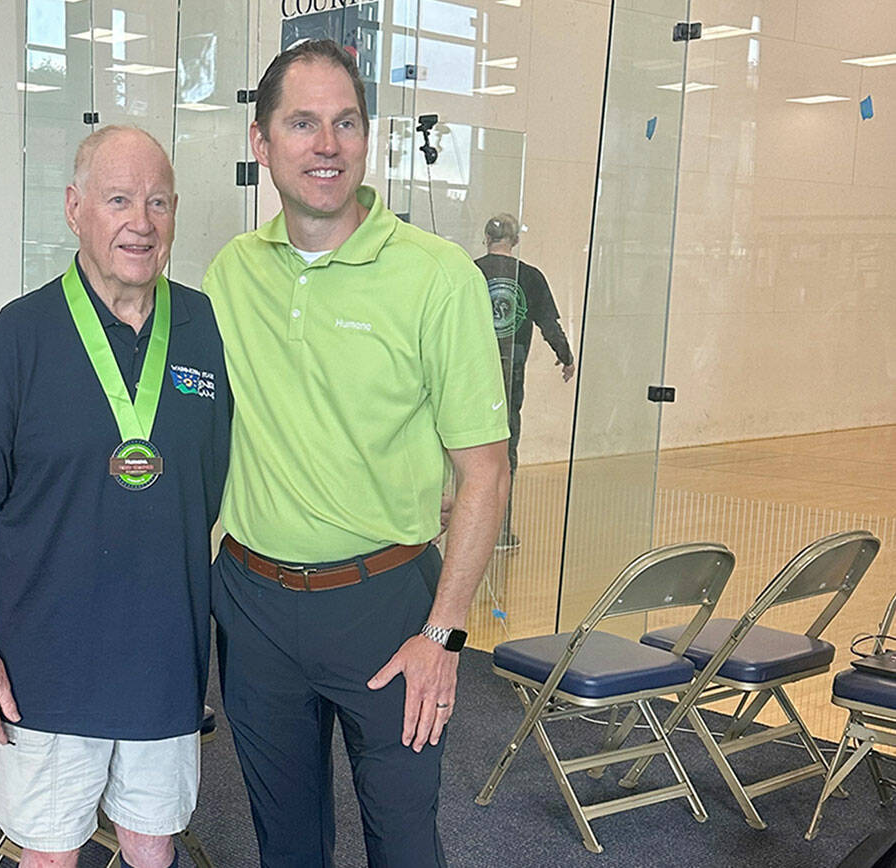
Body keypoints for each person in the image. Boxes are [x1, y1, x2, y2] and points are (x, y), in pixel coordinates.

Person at [202, 39, 511, 868]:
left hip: (387, 605)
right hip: (254, 605)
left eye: (346, 123)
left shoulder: (437, 276)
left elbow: (486, 471)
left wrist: (444, 633)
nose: (327, 145)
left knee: (404, 843)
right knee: (286, 844)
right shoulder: (231, 274)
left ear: (368, 139)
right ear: (261, 141)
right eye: (302, 123)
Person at [0, 126, 231, 868]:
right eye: (119, 200)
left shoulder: (204, 328)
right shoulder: (21, 335)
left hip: (164, 656)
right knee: (50, 853)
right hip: (44, 661)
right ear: (75, 209)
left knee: (152, 844)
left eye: (159, 202)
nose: (142, 222)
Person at [473, 213, 575, 552]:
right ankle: (500, 530)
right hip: (511, 374)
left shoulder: (469, 272)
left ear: (486, 238)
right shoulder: (530, 277)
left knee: (467, 446)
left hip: (470, 373)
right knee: (506, 448)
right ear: (515, 240)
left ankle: (466, 526)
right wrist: (566, 356)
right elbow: (549, 323)